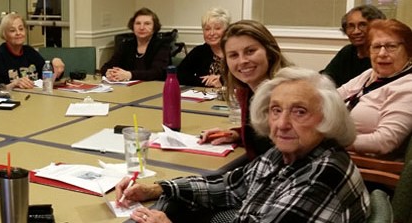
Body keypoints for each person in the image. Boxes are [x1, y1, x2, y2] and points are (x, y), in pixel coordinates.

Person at [116, 67, 369, 223]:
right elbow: (231, 186)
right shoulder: (287, 152)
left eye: (299, 112)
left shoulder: (321, 175)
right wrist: (156, 188)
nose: (281, 124)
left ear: (327, 118)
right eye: (275, 110)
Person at [198, 20, 292, 160]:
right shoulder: (248, 91)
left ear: (269, 52)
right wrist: (237, 134)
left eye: (250, 51)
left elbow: (289, 149)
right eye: (233, 55)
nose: (242, 61)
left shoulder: (287, 95)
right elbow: (265, 135)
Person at [337, 19, 412, 161]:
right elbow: (331, 99)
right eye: (376, 47)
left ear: (408, 51)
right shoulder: (370, 75)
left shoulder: (407, 87)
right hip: (339, 155)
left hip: (366, 168)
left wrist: (333, 142)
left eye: (391, 46)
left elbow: (384, 141)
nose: (382, 53)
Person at [0, 13, 64, 94]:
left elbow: (47, 74)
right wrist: (13, 85)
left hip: (34, 99)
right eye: (12, 30)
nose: (18, 33)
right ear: (4, 34)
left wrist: (56, 65)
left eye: (21, 29)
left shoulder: (29, 52)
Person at [322, 5, 386, 87]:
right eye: (351, 26)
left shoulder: (383, 55)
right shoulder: (348, 51)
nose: (356, 31)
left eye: (362, 25)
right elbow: (328, 77)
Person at [101, 8, 170, 82]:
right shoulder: (127, 45)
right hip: (129, 88)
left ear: (154, 27)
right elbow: (106, 66)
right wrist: (109, 72)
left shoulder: (162, 45)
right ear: (132, 26)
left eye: (147, 23)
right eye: (138, 23)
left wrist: (129, 75)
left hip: (155, 87)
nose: (141, 27)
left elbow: (156, 73)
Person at [177, 8, 231, 87]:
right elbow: (179, 75)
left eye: (217, 28)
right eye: (207, 29)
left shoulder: (235, 51)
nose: (212, 33)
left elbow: (243, 77)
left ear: (227, 30)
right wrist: (206, 82)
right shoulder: (200, 51)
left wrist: (221, 81)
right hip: (205, 95)